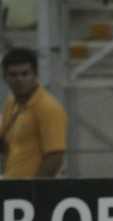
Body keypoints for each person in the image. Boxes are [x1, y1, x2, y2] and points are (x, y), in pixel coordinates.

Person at [0, 47, 67, 178]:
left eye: (25, 74)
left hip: (30, 191)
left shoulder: (48, 107)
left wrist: (34, 190)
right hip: (12, 185)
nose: (19, 80)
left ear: (35, 75)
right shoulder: (11, 103)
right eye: (13, 75)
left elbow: (55, 157)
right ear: (5, 78)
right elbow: (5, 143)